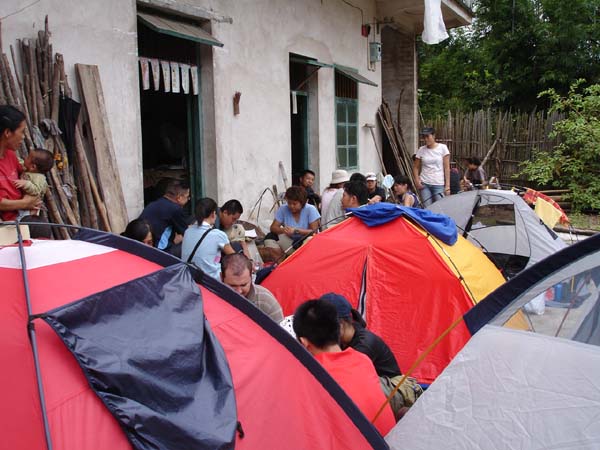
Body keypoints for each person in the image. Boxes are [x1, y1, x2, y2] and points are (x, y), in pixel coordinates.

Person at [292, 299, 396, 435]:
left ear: (304, 342)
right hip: (390, 440)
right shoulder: (363, 360)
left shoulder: (313, 376)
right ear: (338, 329)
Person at [320, 293, 422, 420]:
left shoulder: (365, 343)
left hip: (397, 391)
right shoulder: (343, 340)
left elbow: (342, 373)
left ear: (340, 324)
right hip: (377, 389)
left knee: (353, 384)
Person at [0, 105, 42, 221]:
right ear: (7, 132)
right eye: (22, 132)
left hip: (19, 218)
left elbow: (27, 176)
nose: (23, 137)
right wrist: (24, 203)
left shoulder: (11, 155)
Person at [182, 197, 235, 279]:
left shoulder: (187, 232)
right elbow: (234, 257)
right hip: (211, 280)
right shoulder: (218, 235)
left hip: (188, 278)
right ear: (213, 214)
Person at [221, 253, 283, 322]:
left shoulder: (266, 302)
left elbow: (280, 327)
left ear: (251, 277)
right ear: (221, 277)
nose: (238, 291)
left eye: (243, 285)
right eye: (232, 286)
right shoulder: (213, 298)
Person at [139, 178, 190, 256]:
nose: (188, 199)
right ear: (179, 198)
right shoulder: (175, 209)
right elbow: (187, 233)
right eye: (187, 197)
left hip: (143, 248)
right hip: (160, 252)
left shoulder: (154, 203)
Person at [269, 186, 320, 254]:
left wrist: (296, 231)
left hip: (306, 241)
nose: (291, 206)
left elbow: (314, 231)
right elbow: (273, 227)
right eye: (289, 203)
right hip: (290, 240)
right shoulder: (283, 209)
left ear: (302, 203)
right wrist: (284, 230)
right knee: (270, 239)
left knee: (310, 239)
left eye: (294, 204)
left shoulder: (310, 209)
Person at [412, 127, 450, 206]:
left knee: (440, 207)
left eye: (427, 136)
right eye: (424, 137)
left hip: (438, 183)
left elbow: (447, 168)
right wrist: (417, 180)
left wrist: (447, 185)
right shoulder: (421, 150)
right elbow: (415, 167)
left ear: (433, 136)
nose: (426, 139)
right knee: (427, 207)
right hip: (424, 183)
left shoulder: (443, 148)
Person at [13, 148, 54, 216]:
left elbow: (37, 190)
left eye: (28, 157)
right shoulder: (28, 169)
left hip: (31, 207)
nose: (25, 158)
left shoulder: (39, 178)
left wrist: (26, 184)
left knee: (23, 219)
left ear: (33, 167)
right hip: (23, 203)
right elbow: (20, 162)